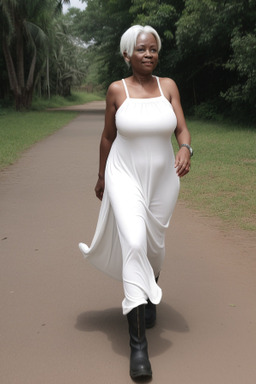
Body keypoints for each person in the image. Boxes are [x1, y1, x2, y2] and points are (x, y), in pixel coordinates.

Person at [79, 25, 192, 380]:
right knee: (134, 243)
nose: (149, 54)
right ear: (127, 54)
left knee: (154, 245)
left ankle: (150, 284)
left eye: (154, 49)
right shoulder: (117, 90)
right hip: (124, 175)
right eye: (142, 49)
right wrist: (101, 176)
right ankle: (138, 346)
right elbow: (107, 137)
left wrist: (186, 148)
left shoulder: (168, 86)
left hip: (163, 180)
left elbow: (182, 130)